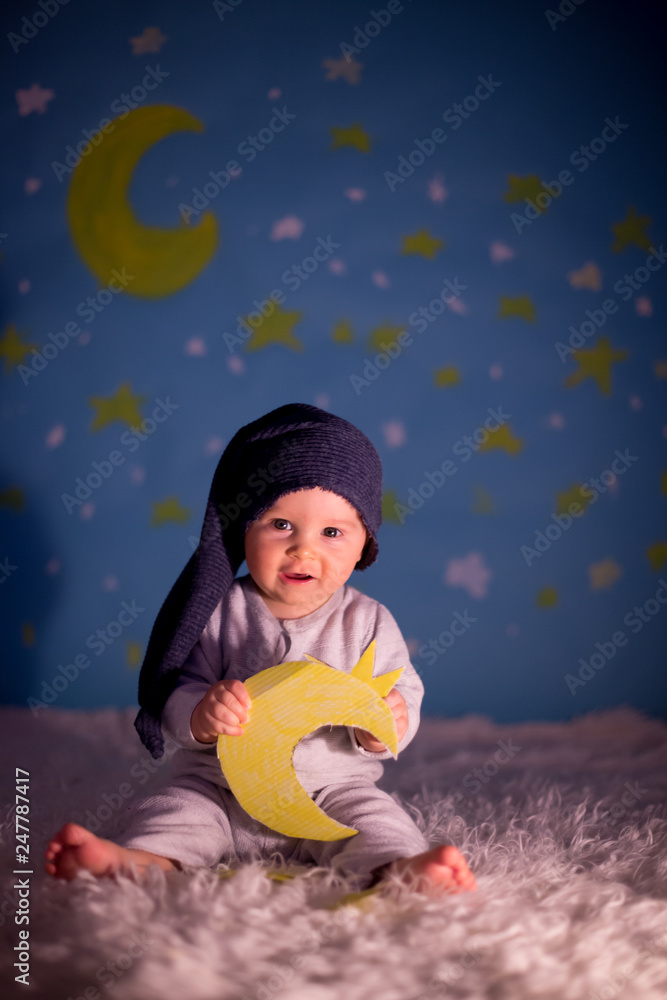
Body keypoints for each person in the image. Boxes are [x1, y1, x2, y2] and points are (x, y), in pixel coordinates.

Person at [45, 403, 476, 896]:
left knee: (376, 819)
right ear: (244, 528)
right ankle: (136, 860)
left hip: (331, 789)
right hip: (221, 786)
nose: (303, 550)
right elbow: (179, 689)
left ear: (364, 546)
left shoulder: (369, 621)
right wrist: (202, 714)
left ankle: (399, 870)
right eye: (280, 525)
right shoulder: (219, 611)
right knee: (175, 808)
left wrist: (383, 725)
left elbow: (402, 690)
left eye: (332, 533)